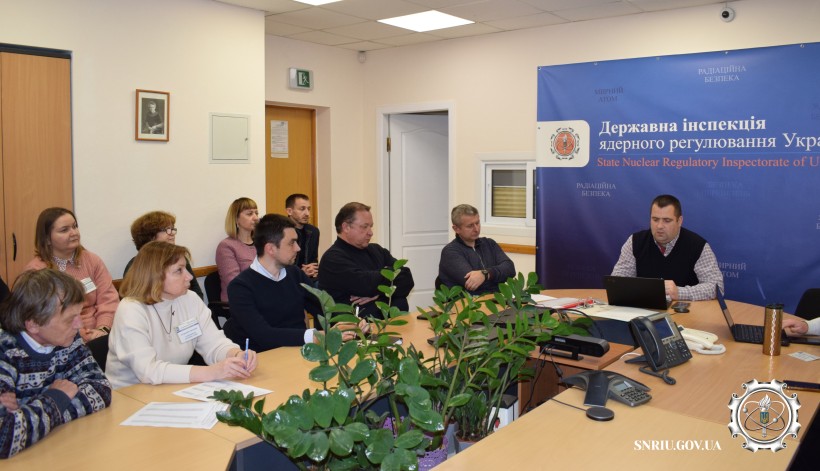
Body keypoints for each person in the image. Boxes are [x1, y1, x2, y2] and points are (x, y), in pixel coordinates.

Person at [106, 241, 258, 389]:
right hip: (130, 394)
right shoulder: (131, 309)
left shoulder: (190, 299)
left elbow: (213, 344)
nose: (189, 276)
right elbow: (148, 371)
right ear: (155, 276)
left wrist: (235, 354)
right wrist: (211, 372)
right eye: (179, 270)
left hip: (171, 388)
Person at [0, 269, 112, 458]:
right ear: (33, 324)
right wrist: (56, 397)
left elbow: (101, 389)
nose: (79, 325)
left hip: (58, 451)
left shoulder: (67, 338)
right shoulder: (5, 352)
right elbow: (5, 438)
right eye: (69, 319)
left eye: (79, 314)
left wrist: (27, 411)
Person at [225, 214, 366, 352]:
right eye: (291, 243)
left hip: (298, 351)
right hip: (263, 358)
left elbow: (323, 306)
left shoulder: (294, 274)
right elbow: (264, 335)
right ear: (271, 249)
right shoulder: (240, 287)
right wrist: (320, 336)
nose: (298, 248)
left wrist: (352, 322)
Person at [24, 207, 119, 342]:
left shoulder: (92, 260)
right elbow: (43, 319)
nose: (74, 233)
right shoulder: (36, 272)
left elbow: (108, 300)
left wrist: (103, 329)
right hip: (62, 338)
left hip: (100, 333)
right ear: (47, 239)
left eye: (75, 226)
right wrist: (78, 333)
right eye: (64, 230)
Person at [611, 194, 723, 301]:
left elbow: (717, 287)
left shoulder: (698, 246)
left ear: (679, 221)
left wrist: (679, 293)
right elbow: (616, 281)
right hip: (644, 309)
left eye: (667, 220)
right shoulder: (635, 242)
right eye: (655, 219)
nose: (659, 226)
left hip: (686, 311)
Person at [318, 202, 414, 318]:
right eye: (364, 227)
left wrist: (377, 293)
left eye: (371, 226)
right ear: (346, 227)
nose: (370, 232)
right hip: (357, 327)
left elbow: (407, 279)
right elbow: (365, 285)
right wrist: (386, 286)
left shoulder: (377, 250)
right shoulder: (333, 259)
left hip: (397, 322)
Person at [124, 210, 203, 299]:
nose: (172, 233)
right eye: (166, 229)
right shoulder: (136, 264)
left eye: (172, 229)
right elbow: (133, 299)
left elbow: (197, 293)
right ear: (150, 236)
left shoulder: (179, 258)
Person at [438, 204, 515, 295]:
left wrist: (485, 274)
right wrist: (497, 275)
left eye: (477, 223)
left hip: (496, 299)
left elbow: (510, 269)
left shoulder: (489, 243)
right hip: (467, 302)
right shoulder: (450, 252)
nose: (476, 229)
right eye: (470, 226)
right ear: (456, 229)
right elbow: (473, 284)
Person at [215, 197, 259, 302]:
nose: (255, 218)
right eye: (249, 214)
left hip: (261, 297)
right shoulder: (226, 246)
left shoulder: (262, 243)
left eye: (256, 213)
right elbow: (235, 283)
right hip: (240, 301)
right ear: (236, 219)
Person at [285, 193, 320, 281]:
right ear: (289, 211)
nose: (307, 213)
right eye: (302, 209)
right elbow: (278, 265)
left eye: (309, 209)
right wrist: (300, 273)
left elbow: (314, 259)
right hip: (288, 279)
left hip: (310, 279)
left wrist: (313, 269)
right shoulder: (281, 231)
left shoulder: (314, 231)